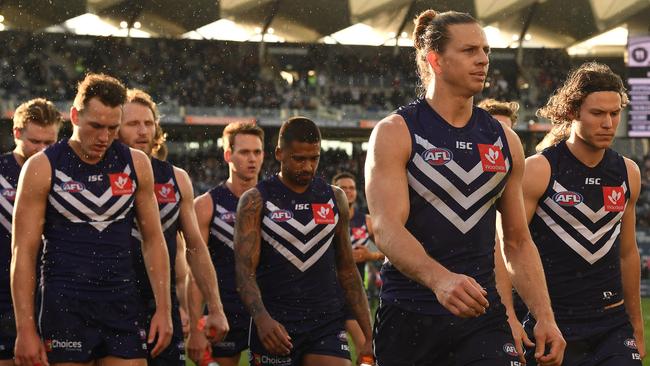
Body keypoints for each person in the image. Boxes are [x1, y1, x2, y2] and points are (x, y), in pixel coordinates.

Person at [364, 9, 565, 365]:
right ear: (435, 60)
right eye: (470, 50)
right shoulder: (395, 131)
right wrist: (440, 280)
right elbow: (385, 228)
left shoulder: (505, 140)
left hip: (481, 318)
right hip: (409, 315)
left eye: (486, 50)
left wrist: (544, 316)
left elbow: (517, 240)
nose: (484, 60)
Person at [11, 73, 173, 366]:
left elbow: (153, 240)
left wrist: (164, 308)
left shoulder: (137, 164)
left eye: (113, 128)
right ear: (74, 116)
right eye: (96, 126)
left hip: (122, 303)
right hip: (65, 307)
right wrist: (25, 328)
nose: (104, 137)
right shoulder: (42, 167)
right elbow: (23, 252)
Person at [507, 62, 645, 365]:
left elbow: (627, 253)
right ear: (572, 112)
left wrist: (636, 322)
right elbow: (509, 247)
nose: (608, 123)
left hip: (611, 324)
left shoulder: (628, 172)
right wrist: (508, 317)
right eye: (597, 113)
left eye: (614, 113)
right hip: (552, 322)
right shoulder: (538, 170)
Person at [234, 117, 373, 365]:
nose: (308, 167)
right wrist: (262, 320)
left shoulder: (334, 197)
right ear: (279, 153)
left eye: (314, 158)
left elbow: (347, 269)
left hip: (326, 323)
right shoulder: (255, 200)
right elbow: (245, 271)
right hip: (276, 325)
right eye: (299, 159)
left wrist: (369, 332)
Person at [118, 88, 229, 365]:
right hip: (111, 303)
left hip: (161, 305)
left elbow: (195, 247)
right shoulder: (98, 174)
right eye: (133, 123)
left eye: (148, 123)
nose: (143, 130)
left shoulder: (176, 179)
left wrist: (215, 307)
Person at [191, 122, 265, 366]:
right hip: (224, 311)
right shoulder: (206, 205)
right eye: (244, 152)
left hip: (268, 311)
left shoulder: (275, 201)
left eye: (257, 152)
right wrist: (194, 325)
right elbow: (195, 270)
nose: (252, 159)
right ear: (228, 155)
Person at [0, 98, 62, 366]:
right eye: (35, 142)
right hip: (4, 295)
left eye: (50, 143)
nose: (42, 150)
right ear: (17, 133)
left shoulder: (63, 172)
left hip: (53, 296)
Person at [331, 172, 382, 354]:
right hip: (326, 296)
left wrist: (371, 255)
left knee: (367, 350)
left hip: (354, 295)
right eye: (343, 188)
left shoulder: (366, 221)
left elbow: (389, 252)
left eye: (351, 188)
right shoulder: (324, 219)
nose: (348, 191)